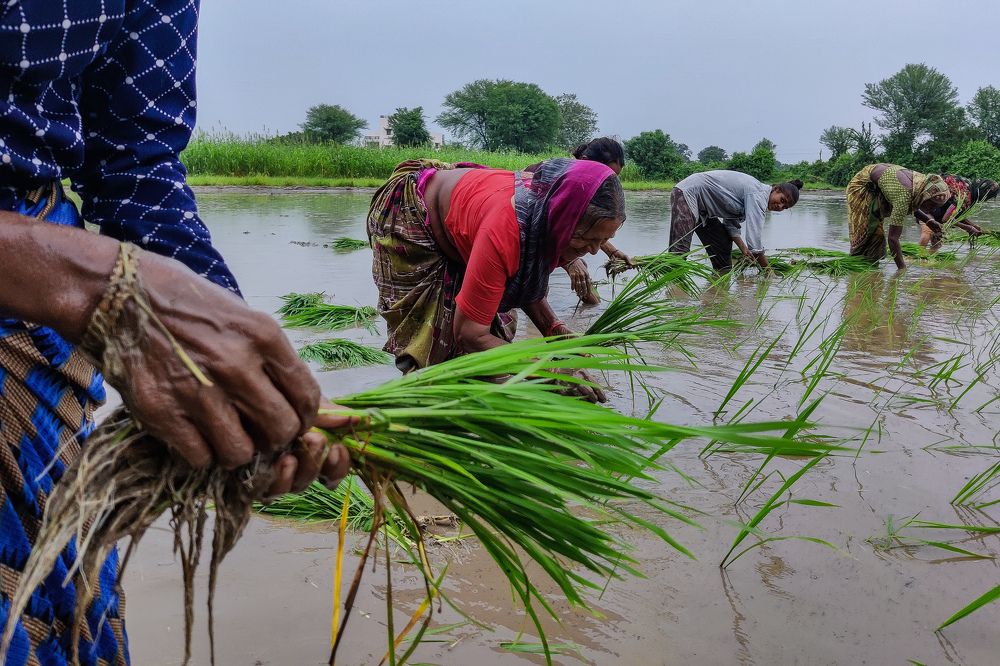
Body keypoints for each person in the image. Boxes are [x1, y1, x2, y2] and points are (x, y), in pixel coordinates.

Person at [1, 4, 350, 664]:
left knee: (56, 606)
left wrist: (232, 366)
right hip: (50, 273)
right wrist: (86, 282)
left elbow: (137, 165)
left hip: (37, 296)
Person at [367, 157, 625, 401]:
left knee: (495, 349)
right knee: (434, 350)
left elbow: (524, 274)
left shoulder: (547, 218)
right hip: (416, 219)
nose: (593, 251)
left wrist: (556, 331)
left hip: (469, 223)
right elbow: (469, 332)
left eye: (603, 240)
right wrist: (552, 372)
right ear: (562, 218)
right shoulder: (506, 229)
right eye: (586, 238)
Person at [526, 138, 633, 303]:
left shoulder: (589, 192)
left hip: (557, 243)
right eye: (603, 172)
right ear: (585, 163)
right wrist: (571, 262)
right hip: (529, 244)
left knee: (589, 293)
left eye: (613, 177)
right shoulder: (555, 178)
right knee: (534, 293)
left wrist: (612, 252)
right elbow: (550, 228)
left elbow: (589, 228)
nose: (608, 182)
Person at [667, 171, 803, 273]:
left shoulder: (755, 198)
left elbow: (730, 224)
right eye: (782, 200)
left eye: (785, 207)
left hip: (704, 210)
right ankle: (675, 298)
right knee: (679, 252)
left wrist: (743, 249)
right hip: (687, 193)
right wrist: (768, 272)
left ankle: (718, 287)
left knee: (723, 245)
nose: (780, 206)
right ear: (776, 189)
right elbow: (755, 242)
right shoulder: (758, 195)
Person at [846, 164, 951, 269]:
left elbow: (913, 203)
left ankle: (870, 267)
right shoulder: (904, 196)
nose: (932, 209)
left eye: (936, 207)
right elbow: (892, 238)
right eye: (931, 205)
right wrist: (902, 269)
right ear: (925, 196)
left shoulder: (919, 185)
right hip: (863, 185)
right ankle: (856, 265)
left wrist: (929, 221)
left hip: (881, 185)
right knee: (869, 232)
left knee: (876, 237)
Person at [917, 175, 998, 249]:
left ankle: (927, 262)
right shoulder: (964, 195)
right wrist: (968, 228)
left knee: (937, 242)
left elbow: (956, 214)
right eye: (987, 197)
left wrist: (974, 226)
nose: (986, 200)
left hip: (937, 211)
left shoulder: (969, 189)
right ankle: (918, 258)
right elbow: (946, 219)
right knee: (927, 232)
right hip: (926, 207)